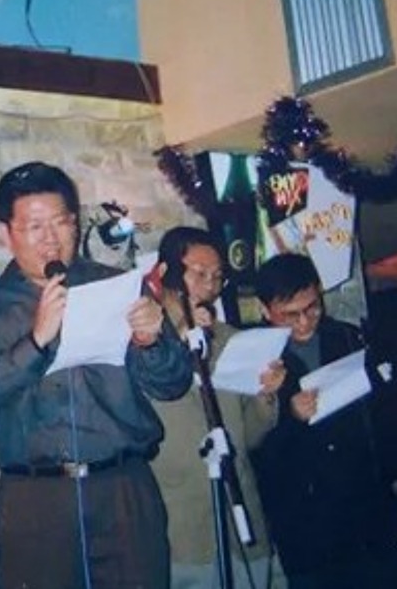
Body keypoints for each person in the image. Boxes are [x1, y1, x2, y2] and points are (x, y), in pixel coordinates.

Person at [0, 161, 192, 589]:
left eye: (61, 222)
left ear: (75, 223)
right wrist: (36, 340)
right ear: (7, 232)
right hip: (36, 497)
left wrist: (151, 342)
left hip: (123, 487)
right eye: (34, 226)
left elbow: (172, 384)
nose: (51, 238)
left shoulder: (118, 286)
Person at [250, 252, 397, 589]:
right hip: (305, 526)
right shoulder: (254, 358)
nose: (304, 322)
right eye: (290, 315)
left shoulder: (349, 338)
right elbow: (253, 450)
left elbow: (384, 415)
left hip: (366, 510)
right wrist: (291, 417)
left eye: (313, 308)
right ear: (265, 310)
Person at [148, 226, 287, 588]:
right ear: (164, 274)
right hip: (181, 523)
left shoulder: (230, 340)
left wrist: (266, 394)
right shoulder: (144, 344)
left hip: (241, 516)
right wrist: (180, 339)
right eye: (199, 274)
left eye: (217, 276)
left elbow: (248, 437)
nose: (210, 286)